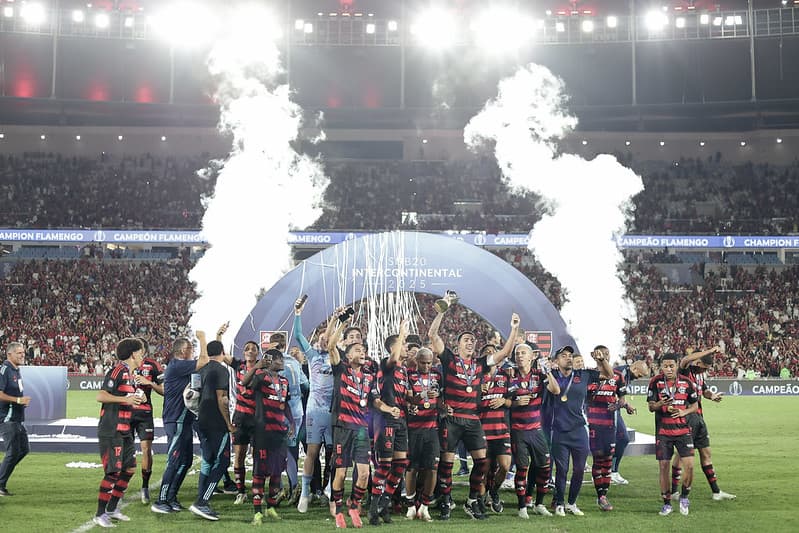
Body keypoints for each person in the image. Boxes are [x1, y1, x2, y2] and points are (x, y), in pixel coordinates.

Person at [429, 294, 519, 521]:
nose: (470, 342)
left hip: (472, 420)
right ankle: (446, 501)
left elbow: (505, 353)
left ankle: (471, 500)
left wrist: (514, 329)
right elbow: (432, 335)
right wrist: (442, 311)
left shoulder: (480, 364)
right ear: (458, 344)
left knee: (482, 462)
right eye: (466, 340)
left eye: (473, 340)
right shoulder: (449, 359)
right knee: (447, 464)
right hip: (452, 419)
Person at [326, 315, 391, 528]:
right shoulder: (341, 369)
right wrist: (342, 324)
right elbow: (331, 345)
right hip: (343, 428)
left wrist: (389, 408)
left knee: (364, 473)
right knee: (341, 472)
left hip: (362, 429)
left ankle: (354, 506)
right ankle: (338, 509)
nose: (362, 353)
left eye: (363, 350)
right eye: (357, 350)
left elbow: (376, 401)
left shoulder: (369, 377)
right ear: (348, 354)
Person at [545, 345, 612, 517]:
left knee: (579, 469)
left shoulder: (583, 375)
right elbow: (555, 391)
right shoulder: (550, 376)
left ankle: (572, 503)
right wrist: (547, 370)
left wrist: (602, 360)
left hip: (579, 430)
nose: (568, 358)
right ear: (556, 361)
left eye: (570, 355)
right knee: (562, 469)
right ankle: (559, 503)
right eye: (564, 356)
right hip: (559, 430)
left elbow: (609, 375)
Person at [150, 333, 210, 514]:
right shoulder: (177, 365)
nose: (193, 352)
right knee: (174, 461)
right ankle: (161, 500)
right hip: (176, 420)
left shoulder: (183, 368)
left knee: (186, 461)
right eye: (191, 348)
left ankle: (171, 497)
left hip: (185, 421)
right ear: (183, 351)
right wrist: (202, 339)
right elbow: (204, 361)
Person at [92, 338, 145, 528]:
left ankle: (112, 509)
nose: (143, 356)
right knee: (113, 472)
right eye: (141, 353)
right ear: (133, 354)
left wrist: (138, 398)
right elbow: (101, 396)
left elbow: (128, 398)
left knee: (129, 468)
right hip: (111, 429)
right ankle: (99, 514)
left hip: (125, 429)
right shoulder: (118, 370)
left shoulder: (131, 375)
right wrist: (126, 400)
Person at [673, 347, 736, 501]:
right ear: (697, 362)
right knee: (681, 455)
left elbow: (704, 390)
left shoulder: (700, 375)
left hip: (699, 418)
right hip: (685, 418)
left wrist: (712, 396)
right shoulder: (685, 371)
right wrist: (710, 350)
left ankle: (716, 492)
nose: (705, 371)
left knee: (706, 454)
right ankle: (673, 492)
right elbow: (685, 359)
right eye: (704, 367)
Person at [243, 349, 294, 524]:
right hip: (263, 432)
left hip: (279, 432)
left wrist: (292, 423)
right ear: (270, 361)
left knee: (276, 471)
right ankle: (257, 511)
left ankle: (271, 507)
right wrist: (256, 367)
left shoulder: (284, 381)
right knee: (259, 471)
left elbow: (285, 404)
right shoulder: (261, 377)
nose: (282, 362)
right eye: (279, 359)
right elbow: (244, 382)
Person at [294, 302, 336, 512]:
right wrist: (297, 313)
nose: (323, 340)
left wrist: (336, 321)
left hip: (333, 413)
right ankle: (304, 493)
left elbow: (332, 340)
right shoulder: (312, 357)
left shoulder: (337, 359)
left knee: (334, 454)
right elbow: (297, 335)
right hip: (314, 413)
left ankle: (329, 489)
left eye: (327, 338)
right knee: (312, 452)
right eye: (320, 338)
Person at [509, 342, 559, 519]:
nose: (520, 356)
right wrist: (515, 403)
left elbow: (556, 390)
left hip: (536, 430)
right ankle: (522, 506)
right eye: (517, 353)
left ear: (531, 357)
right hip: (518, 430)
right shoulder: (509, 375)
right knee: (522, 468)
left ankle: (539, 504)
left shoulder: (539, 375)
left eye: (523, 353)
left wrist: (548, 372)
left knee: (544, 467)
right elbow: (503, 401)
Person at [369, 320, 411, 525]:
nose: (407, 348)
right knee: (384, 466)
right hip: (385, 420)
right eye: (404, 345)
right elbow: (394, 357)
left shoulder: (404, 371)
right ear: (394, 348)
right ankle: (373, 509)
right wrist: (401, 333)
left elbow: (407, 397)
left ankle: (384, 503)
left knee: (400, 465)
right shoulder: (386, 364)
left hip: (401, 421)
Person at [647, 353, 699, 516]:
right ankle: (667, 504)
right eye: (665, 366)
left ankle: (684, 497)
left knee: (690, 466)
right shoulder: (655, 382)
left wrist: (684, 412)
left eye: (671, 366)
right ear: (661, 367)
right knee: (664, 467)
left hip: (683, 431)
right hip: (663, 432)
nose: (668, 369)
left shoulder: (687, 382)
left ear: (677, 365)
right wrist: (660, 404)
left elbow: (695, 406)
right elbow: (651, 407)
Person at [189, 340, 235, 521]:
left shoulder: (200, 370)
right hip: (216, 422)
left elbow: (193, 395)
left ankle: (201, 499)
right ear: (222, 352)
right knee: (222, 462)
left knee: (208, 459)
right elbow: (222, 398)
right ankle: (202, 502)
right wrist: (229, 423)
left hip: (201, 420)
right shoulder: (222, 370)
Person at [585, 345, 630, 512]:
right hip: (593, 424)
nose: (604, 356)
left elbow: (622, 399)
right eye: (601, 354)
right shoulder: (589, 375)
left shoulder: (618, 376)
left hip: (610, 424)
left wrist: (617, 405)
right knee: (598, 459)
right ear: (594, 356)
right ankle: (600, 495)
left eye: (607, 353)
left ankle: (603, 494)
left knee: (608, 460)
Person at [404, 347, 442, 522]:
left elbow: (441, 399)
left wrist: (444, 407)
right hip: (413, 428)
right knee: (412, 468)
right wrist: (424, 395)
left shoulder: (437, 375)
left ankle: (425, 506)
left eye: (429, 363)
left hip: (432, 428)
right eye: (423, 363)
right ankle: (411, 506)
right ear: (416, 361)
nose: (426, 366)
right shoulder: (409, 375)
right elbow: (409, 399)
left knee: (432, 468)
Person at [478, 343, 512, 515]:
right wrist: (477, 391)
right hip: (482, 430)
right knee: (483, 469)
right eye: (487, 352)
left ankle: (494, 491)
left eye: (493, 352)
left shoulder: (506, 375)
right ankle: (481, 500)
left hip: (501, 429)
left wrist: (503, 401)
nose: (490, 354)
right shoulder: (476, 377)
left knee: (505, 466)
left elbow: (512, 401)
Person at [130, 337, 164, 504]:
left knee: (146, 449)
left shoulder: (153, 365)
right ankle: (120, 485)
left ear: (143, 349)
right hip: (126, 413)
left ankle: (145, 487)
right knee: (125, 451)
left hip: (144, 414)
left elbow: (164, 390)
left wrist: (148, 382)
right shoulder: (123, 365)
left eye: (138, 348)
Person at [0, 342, 32, 497]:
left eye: (23, 353)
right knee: (13, 451)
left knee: (23, 449)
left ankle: (1, 480)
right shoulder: (5, 370)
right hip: (7, 419)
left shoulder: (16, 370)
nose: (22, 355)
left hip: (17, 418)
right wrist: (18, 400)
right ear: (9, 354)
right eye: (19, 353)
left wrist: (21, 402)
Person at [610, 359, 649, 485]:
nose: (638, 378)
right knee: (621, 439)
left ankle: (610, 472)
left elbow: (619, 396)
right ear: (634, 368)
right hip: (607, 410)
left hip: (614, 410)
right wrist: (624, 404)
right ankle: (610, 472)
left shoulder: (626, 374)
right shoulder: (620, 373)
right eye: (639, 375)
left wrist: (626, 406)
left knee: (619, 439)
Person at [232, 340, 260, 505]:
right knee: (239, 455)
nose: (250, 351)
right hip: (241, 418)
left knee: (258, 457)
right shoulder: (238, 366)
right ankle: (241, 492)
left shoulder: (262, 369)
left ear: (257, 353)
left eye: (253, 349)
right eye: (247, 348)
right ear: (243, 352)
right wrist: (219, 336)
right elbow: (220, 356)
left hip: (257, 419)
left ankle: (257, 491)